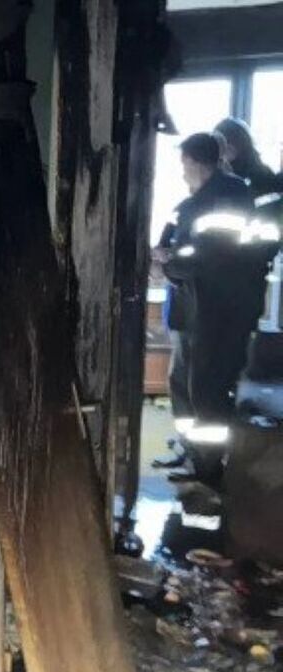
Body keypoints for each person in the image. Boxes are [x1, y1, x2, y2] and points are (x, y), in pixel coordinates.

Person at [155, 133, 259, 482]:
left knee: (207, 389)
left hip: (218, 312)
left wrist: (169, 265)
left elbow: (213, 255)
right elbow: (179, 244)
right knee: (182, 384)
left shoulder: (229, 196)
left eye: (184, 163)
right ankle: (191, 451)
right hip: (191, 309)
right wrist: (165, 256)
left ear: (196, 162)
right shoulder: (192, 203)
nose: (182, 171)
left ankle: (209, 468)